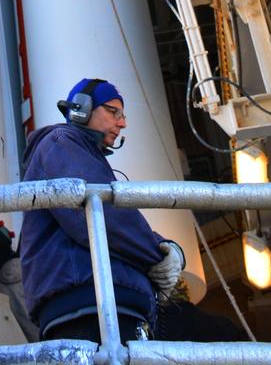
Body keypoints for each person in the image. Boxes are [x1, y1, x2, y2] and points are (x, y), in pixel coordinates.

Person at [19, 78, 185, 343]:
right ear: (82, 109)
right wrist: (157, 253)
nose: (123, 123)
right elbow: (101, 216)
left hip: (104, 304)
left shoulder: (77, 153)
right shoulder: (61, 142)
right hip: (89, 305)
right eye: (113, 111)